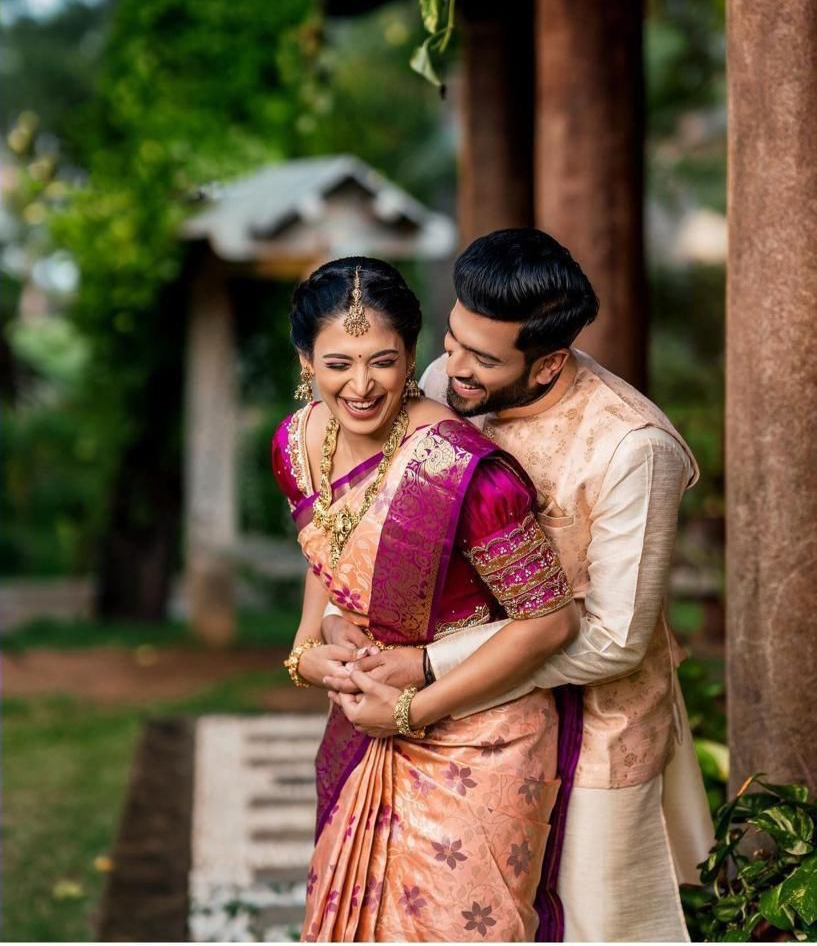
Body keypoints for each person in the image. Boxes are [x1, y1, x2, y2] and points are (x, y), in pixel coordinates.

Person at [324, 229, 715, 943]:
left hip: (597, 720)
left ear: (549, 363)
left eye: (483, 359)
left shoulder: (633, 449)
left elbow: (612, 641)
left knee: (589, 921)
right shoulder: (448, 384)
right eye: (453, 340)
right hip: (460, 723)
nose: (452, 370)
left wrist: (429, 669)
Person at [271, 256, 582, 943]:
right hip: (368, 717)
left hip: (478, 739)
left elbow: (550, 622)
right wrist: (310, 643)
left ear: (412, 354)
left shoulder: (463, 472)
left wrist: (412, 708)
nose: (360, 385)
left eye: (382, 361)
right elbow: (330, 549)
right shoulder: (295, 444)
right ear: (304, 360)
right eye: (337, 364)